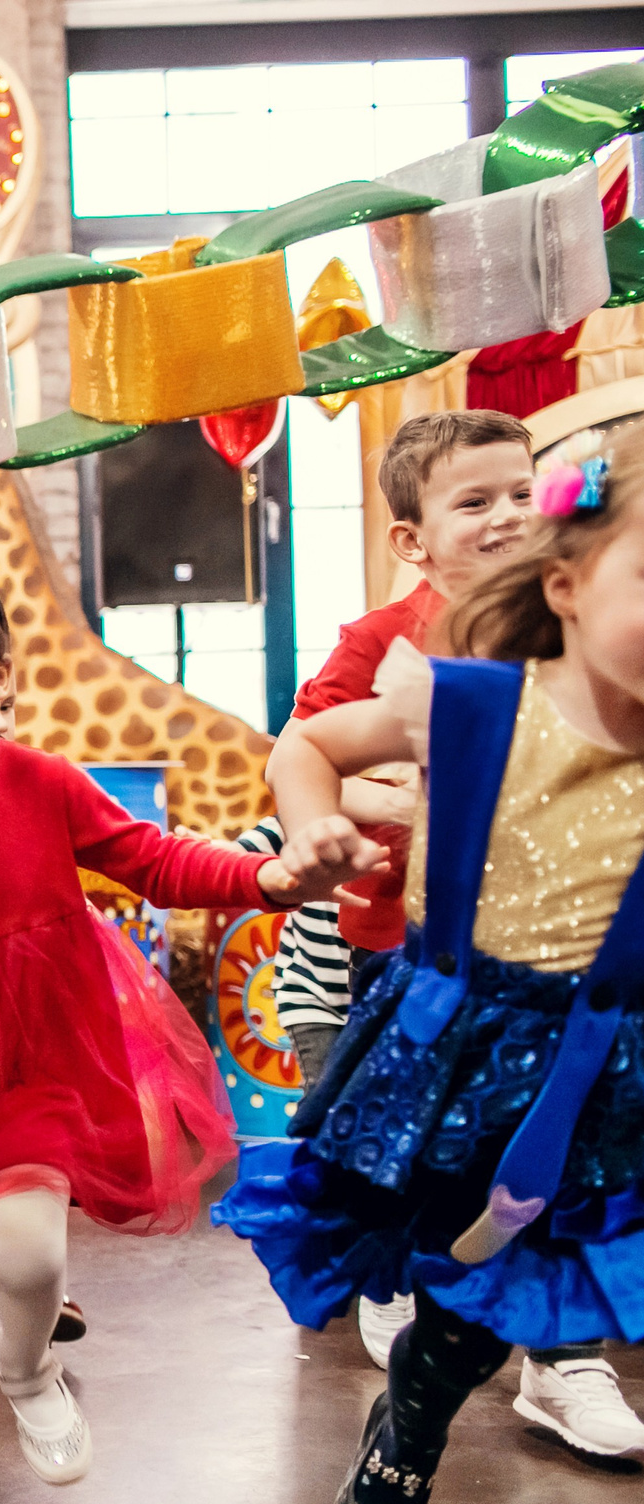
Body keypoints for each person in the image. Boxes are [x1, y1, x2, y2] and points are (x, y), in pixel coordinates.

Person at [0, 546, 370, 1504]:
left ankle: (24, 1369)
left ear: (1, 675)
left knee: (30, 1252)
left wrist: (264, 879)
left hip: (32, 1059)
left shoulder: (44, 784)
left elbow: (154, 860)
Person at [217, 424, 644, 1504]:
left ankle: (454, 1392)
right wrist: (313, 821)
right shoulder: (474, 702)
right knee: (455, 1251)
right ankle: (414, 1414)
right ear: (564, 585)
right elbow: (305, 741)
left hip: (611, 1065)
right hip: (467, 1046)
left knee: (539, 1265)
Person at [285, 410, 536, 1371]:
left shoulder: (576, 624)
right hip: (403, 935)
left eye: (522, 492)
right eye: (476, 500)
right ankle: (393, 1277)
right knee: (405, 1126)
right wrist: (378, 800)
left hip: (542, 938)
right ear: (412, 539)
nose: (508, 515)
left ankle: (564, 1354)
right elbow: (306, 750)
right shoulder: (386, 642)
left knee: (541, 1132)